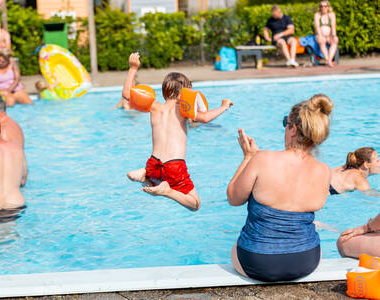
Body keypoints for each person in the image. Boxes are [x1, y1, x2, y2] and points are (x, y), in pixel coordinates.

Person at [227, 94, 334, 282]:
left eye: (286, 123)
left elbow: (233, 198)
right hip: (307, 260)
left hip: (258, 262)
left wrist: (248, 157)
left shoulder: (263, 159)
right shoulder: (324, 171)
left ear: (292, 129)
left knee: (235, 246)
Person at [123, 53, 233, 211]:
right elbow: (205, 118)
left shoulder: (154, 106)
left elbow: (127, 95)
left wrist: (133, 68)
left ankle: (145, 175)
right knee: (195, 204)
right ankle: (166, 191)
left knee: (156, 176)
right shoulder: (183, 109)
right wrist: (224, 106)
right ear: (185, 92)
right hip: (174, 166)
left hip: (153, 163)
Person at [314, 1, 339, 67]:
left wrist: (333, 35)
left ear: (328, 7)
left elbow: (333, 26)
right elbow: (317, 26)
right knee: (321, 40)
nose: (323, 8)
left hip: (329, 36)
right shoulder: (317, 15)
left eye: (325, 6)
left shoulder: (331, 14)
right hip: (320, 35)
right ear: (319, 7)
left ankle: (329, 60)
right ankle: (329, 61)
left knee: (335, 39)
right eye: (321, 6)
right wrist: (320, 35)